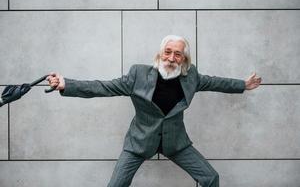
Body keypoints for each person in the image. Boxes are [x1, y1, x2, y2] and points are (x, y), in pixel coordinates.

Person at [47, 35, 261, 187]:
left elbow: (215, 82)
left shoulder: (191, 76)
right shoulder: (138, 74)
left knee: (210, 178)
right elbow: (103, 87)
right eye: (167, 52)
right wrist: (66, 84)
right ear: (159, 54)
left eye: (178, 54)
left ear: (184, 60)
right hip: (139, 142)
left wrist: (242, 84)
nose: (171, 58)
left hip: (176, 143)